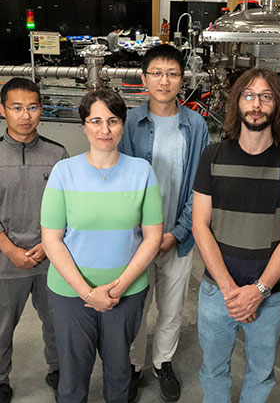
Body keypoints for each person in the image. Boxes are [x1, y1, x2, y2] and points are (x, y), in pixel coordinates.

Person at [192, 67, 280, 403]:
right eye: (248, 95)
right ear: (237, 103)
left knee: (261, 374)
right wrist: (231, 290)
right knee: (213, 370)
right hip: (218, 292)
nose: (256, 104)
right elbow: (200, 226)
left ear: (277, 105)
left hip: (271, 296)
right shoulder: (213, 155)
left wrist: (258, 291)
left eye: (265, 96)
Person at [41, 89, 163, 403]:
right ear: (83, 126)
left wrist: (118, 287)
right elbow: (51, 239)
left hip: (127, 292)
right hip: (70, 294)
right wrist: (87, 292)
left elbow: (152, 237)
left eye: (112, 121)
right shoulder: (64, 172)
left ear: (123, 125)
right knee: (73, 374)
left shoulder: (142, 172)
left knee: (120, 371)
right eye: (95, 121)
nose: (104, 130)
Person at [119, 43, 209, 402]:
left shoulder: (196, 124)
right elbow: (120, 178)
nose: (164, 80)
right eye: (156, 73)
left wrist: (177, 232)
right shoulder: (128, 122)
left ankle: (163, 362)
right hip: (136, 238)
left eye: (172, 74)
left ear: (181, 80)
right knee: (135, 306)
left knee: (172, 308)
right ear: (144, 78)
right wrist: (140, 233)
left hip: (178, 235)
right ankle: (132, 366)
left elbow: (200, 186)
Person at [0, 77, 67, 403]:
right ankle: (1, 379)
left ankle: (58, 370)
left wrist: (46, 245)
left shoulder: (58, 155)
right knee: (1, 329)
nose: (25, 115)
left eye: (32, 107)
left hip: (49, 261)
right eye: (16, 108)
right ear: (3, 110)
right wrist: (10, 249)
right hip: (5, 262)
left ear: (41, 109)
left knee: (56, 323)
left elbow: (67, 208)